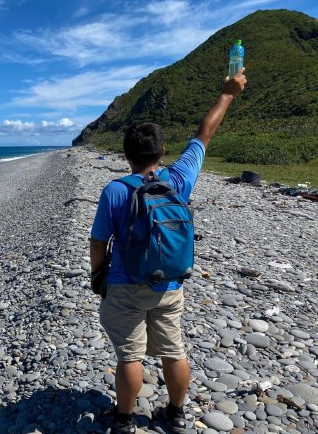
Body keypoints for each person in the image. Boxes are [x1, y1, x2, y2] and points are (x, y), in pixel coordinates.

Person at [89, 68, 247, 434]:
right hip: (170, 285)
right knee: (173, 351)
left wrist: (98, 277)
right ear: (161, 152)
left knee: (129, 356)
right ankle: (174, 414)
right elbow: (204, 133)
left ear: (126, 154)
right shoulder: (178, 179)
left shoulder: (115, 190)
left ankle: (125, 420)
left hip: (125, 285)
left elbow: (99, 242)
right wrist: (228, 94)